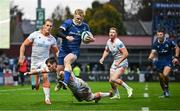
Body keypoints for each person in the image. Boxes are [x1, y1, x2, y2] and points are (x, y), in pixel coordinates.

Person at [25, 57, 113, 103]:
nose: (48, 68)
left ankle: (109, 94)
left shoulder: (62, 70)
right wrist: (29, 73)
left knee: (90, 98)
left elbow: (65, 73)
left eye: (49, 65)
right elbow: (40, 71)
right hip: (76, 90)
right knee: (84, 100)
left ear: (54, 64)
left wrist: (60, 84)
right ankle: (97, 98)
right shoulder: (54, 70)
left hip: (80, 87)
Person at [18, 19, 59, 104]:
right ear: (43, 26)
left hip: (45, 61)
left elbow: (56, 52)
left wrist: (60, 63)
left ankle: (47, 98)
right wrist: (21, 56)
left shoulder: (52, 39)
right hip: (34, 62)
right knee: (35, 85)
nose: (49, 27)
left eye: (51, 26)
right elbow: (23, 45)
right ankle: (36, 82)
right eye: (47, 25)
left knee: (45, 76)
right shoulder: (35, 35)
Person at [56, 9, 95, 89]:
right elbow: (58, 32)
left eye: (81, 19)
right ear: (74, 16)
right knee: (59, 72)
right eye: (77, 18)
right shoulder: (68, 23)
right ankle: (60, 82)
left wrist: (91, 40)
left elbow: (86, 40)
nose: (79, 20)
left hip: (75, 51)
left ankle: (65, 82)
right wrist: (66, 37)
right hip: (64, 49)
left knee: (67, 61)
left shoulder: (85, 26)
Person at [99, 27, 133, 99]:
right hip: (115, 62)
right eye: (110, 32)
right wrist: (102, 58)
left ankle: (129, 88)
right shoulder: (108, 41)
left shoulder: (118, 42)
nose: (111, 33)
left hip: (122, 62)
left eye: (113, 32)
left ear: (116, 34)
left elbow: (126, 54)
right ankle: (117, 95)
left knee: (114, 79)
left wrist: (119, 62)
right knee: (111, 81)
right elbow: (106, 50)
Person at [148, 29, 179, 98]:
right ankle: (165, 91)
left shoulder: (169, 41)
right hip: (160, 62)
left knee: (165, 74)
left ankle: (167, 90)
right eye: (158, 35)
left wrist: (176, 57)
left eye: (161, 34)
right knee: (161, 78)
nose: (159, 36)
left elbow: (177, 48)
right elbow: (153, 52)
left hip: (168, 60)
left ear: (164, 35)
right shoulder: (155, 44)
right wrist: (150, 57)